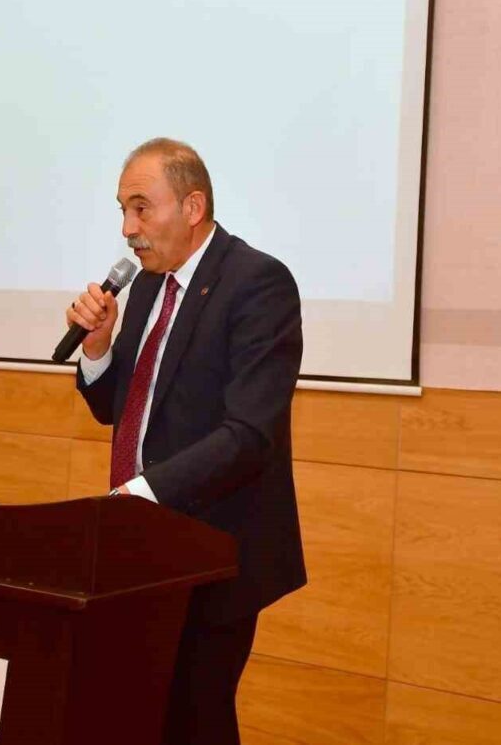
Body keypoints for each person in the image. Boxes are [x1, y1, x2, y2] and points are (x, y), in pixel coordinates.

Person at [66, 138, 306, 745]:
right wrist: (97, 348)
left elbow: (249, 435)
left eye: (141, 208)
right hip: (145, 550)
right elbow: (121, 410)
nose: (128, 229)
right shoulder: (149, 285)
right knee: (141, 715)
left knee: (195, 719)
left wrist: (141, 495)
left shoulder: (257, 283)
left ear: (193, 207)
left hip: (214, 549)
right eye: (123, 210)